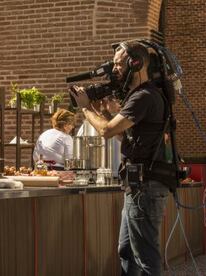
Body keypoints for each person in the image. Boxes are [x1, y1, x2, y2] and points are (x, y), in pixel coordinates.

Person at [70, 40, 169, 275]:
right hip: (137, 186)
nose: (114, 70)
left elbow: (106, 131)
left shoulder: (144, 96)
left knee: (145, 256)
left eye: (118, 65)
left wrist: (86, 108)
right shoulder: (144, 95)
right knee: (126, 249)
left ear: (136, 65)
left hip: (145, 186)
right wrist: (104, 112)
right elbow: (123, 136)